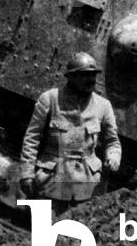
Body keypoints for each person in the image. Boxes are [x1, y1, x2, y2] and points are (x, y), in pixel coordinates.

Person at [19, 51, 121, 213]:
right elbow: (32, 139)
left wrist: (113, 156)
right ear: (71, 77)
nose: (91, 80)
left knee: (75, 234)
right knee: (42, 234)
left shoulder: (103, 106)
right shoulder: (50, 99)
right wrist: (26, 173)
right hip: (51, 181)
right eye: (85, 75)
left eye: (93, 75)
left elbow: (112, 142)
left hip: (86, 187)